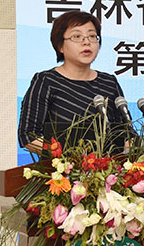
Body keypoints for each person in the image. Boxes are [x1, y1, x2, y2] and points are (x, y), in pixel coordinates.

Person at [18, 11, 126, 153]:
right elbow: (28, 135)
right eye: (77, 36)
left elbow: (126, 133)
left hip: (108, 166)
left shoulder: (109, 82)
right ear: (60, 46)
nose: (86, 42)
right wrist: (65, 158)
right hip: (62, 166)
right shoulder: (46, 81)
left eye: (92, 36)